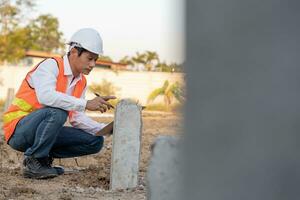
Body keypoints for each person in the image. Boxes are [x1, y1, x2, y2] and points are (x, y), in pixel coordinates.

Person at [2, 28, 116, 179]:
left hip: (42, 132)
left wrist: (106, 129)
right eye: (90, 58)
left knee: (95, 142)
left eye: (96, 60)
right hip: (18, 130)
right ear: (74, 51)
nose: (93, 64)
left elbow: (77, 118)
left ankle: (43, 159)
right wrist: (86, 103)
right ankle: (35, 161)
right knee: (58, 111)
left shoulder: (81, 81)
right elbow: (46, 97)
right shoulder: (51, 66)